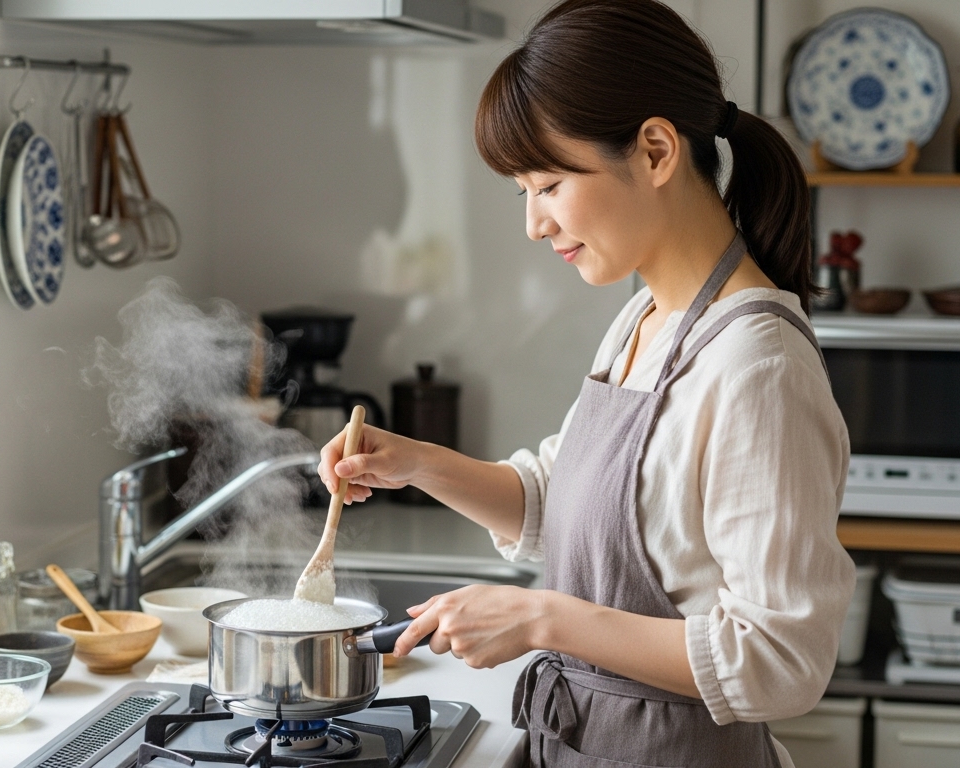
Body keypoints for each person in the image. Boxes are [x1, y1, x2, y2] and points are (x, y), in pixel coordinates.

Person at [316, 0, 855, 765]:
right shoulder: (644, 319)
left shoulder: (757, 367)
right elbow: (559, 499)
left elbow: (780, 661)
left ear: (657, 150)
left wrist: (542, 621)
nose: (534, 224)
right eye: (522, 191)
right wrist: (414, 462)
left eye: (548, 183)